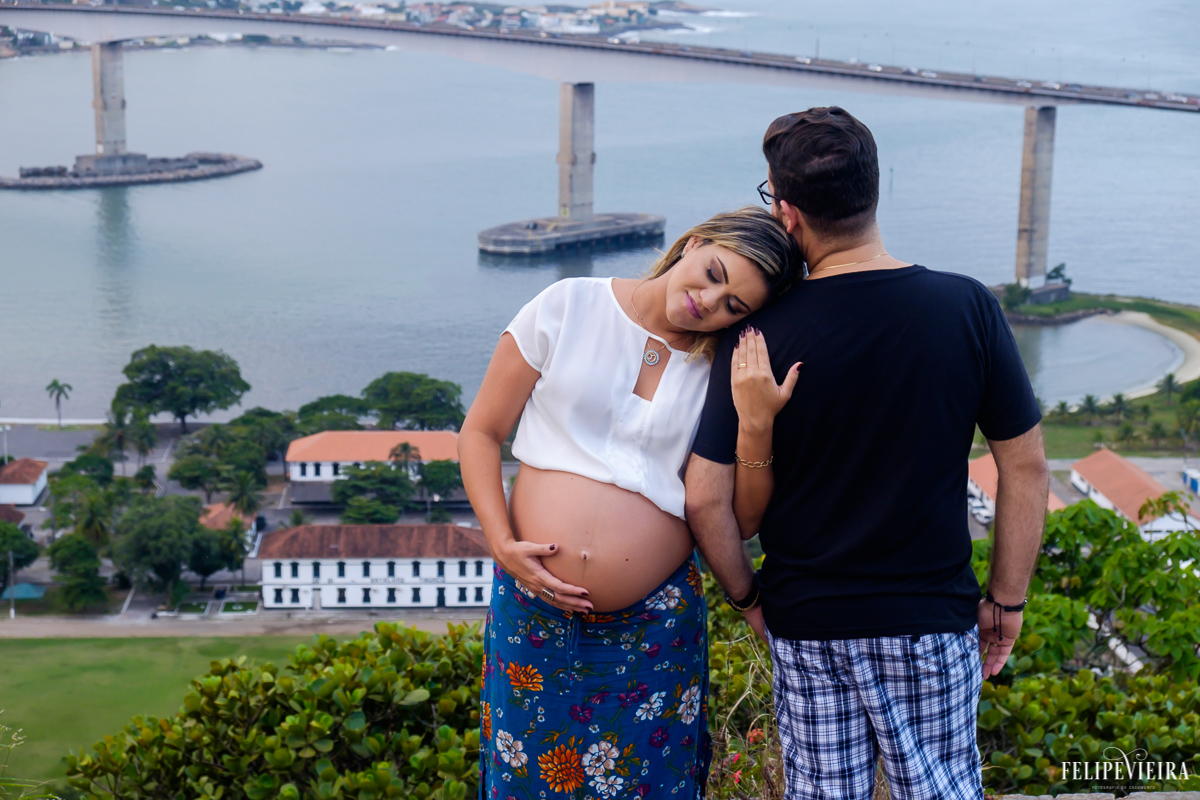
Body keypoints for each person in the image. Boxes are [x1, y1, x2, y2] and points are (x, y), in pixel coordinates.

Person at [685, 107, 1050, 800]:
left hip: (809, 624)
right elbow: (1025, 469)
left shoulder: (756, 334)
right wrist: (1005, 602)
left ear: (787, 215)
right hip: (931, 623)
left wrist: (751, 600)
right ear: (873, 189)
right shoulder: (968, 307)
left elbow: (707, 499)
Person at [458, 207, 800, 800]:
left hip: (654, 622)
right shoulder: (568, 305)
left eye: (733, 306)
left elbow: (740, 518)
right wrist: (502, 544)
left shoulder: (723, 370)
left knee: (651, 784)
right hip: (534, 608)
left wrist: (757, 423)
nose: (708, 301)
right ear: (694, 242)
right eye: (713, 272)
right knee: (524, 779)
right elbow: (480, 433)